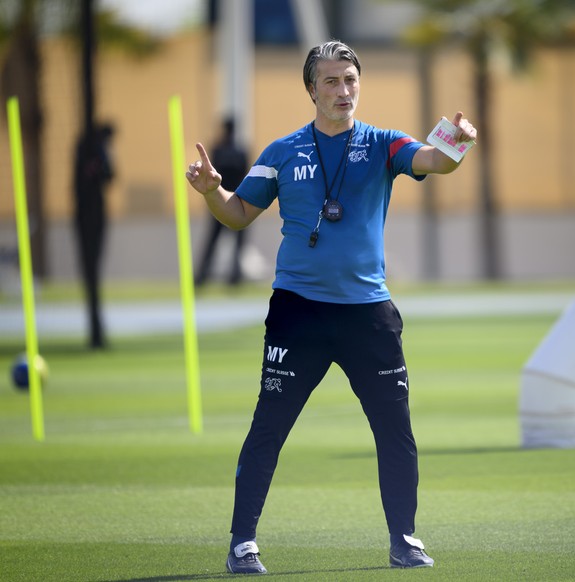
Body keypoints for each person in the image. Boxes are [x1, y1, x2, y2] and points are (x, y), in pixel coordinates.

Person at [186, 40, 477, 574]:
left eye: (350, 80)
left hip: (368, 314)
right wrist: (211, 191)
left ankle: (404, 539)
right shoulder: (281, 152)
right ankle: (242, 544)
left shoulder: (385, 143)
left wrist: (455, 145)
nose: (344, 91)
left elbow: (433, 161)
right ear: (310, 90)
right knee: (268, 427)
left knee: (395, 430)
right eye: (331, 82)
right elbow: (239, 213)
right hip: (298, 312)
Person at [73, 122, 115, 349]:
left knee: (93, 271)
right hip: (87, 215)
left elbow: (110, 174)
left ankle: (97, 331)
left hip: (95, 215)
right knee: (90, 271)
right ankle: (95, 332)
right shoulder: (90, 148)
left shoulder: (96, 150)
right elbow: (110, 173)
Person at [195, 117, 249, 287]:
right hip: (239, 200)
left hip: (220, 201)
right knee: (238, 244)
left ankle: (201, 277)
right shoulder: (240, 151)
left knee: (213, 242)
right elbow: (247, 174)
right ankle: (235, 276)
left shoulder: (218, 150)